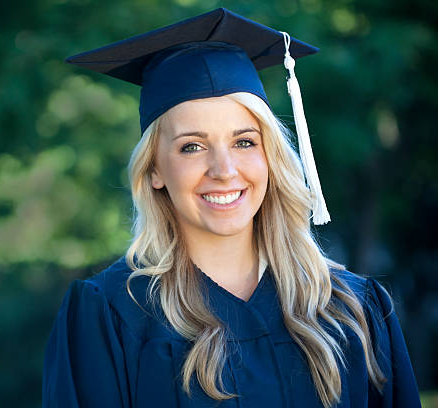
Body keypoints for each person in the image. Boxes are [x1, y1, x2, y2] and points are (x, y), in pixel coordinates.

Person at [42, 8, 421, 408]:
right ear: (154, 169)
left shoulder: (352, 310)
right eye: (192, 146)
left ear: (270, 156)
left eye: (244, 142)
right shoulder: (111, 315)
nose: (224, 171)